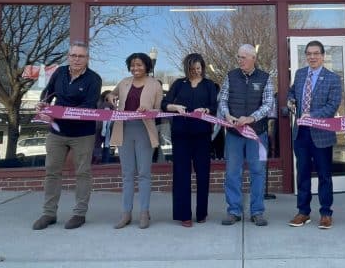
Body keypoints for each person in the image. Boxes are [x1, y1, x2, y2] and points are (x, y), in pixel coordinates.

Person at [32, 41, 102, 230]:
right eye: (73, 56)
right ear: (68, 57)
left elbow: (89, 105)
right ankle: (49, 213)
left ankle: (79, 214)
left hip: (82, 133)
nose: (76, 59)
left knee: (83, 173)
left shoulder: (94, 79)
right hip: (57, 131)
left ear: (87, 59)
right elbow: (48, 93)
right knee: (52, 172)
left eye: (81, 56)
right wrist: (43, 105)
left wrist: (60, 111)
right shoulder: (60, 72)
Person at [287, 40, 342, 229]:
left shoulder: (333, 78)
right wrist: (291, 100)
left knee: (324, 175)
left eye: (316, 53)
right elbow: (291, 92)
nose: (312, 57)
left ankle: (326, 213)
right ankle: (303, 212)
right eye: (309, 54)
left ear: (323, 55)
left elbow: (332, 106)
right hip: (300, 134)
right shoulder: (300, 74)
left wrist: (312, 116)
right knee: (302, 174)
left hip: (321, 134)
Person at [218, 44, 275, 227]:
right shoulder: (230, 76)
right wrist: (226, 115)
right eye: (238, 57)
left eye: (243, 57)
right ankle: (233, 210)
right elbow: (223, 100)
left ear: (253, 58)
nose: (240, 60)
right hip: (234, 134)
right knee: (232, 172)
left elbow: (268, 105)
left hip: (256, 134)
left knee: (257, 172)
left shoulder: (265, 78)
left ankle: (257, 211)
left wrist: (251, 118)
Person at [162, 53, 219, 227]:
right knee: (181, 174)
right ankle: (183, 214)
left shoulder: (209, 85)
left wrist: (206, 110)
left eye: (198, 68)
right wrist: (175, 107)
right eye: (192, 68)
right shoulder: (179, 84)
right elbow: (164, 104)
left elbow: (214, 107)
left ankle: (201, 212)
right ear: (187, 68)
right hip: (181, 134)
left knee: (203, 174)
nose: (196, 71)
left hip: (202, 134)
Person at [109, 52, 163, 229]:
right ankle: (126, 213)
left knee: (144, 173)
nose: (135, 68)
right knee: (127, 174)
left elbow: (159, 111)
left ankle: (144, 212)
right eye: (132, 65)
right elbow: (111, 94)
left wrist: (148, 109)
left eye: (139, 65)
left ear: (147, 66)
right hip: (124, 129)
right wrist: (110, 97)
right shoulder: (124, 82)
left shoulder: (155, 85)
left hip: (144, 130)